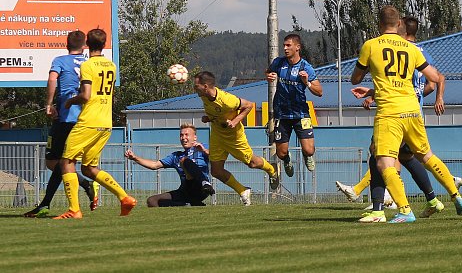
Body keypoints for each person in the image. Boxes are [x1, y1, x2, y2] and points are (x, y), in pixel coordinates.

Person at [338, 16, 462, 222]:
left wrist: (373, 82)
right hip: (413, 110)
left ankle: (389, 209)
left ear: (381, 24)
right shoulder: (415, 50)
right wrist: (431, 95)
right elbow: (435, 78)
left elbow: (356, 78)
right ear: (397, 24)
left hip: (390, 112)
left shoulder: (372, 45)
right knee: (415, 157)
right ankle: (448, 197)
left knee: (382, 159)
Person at [54, 28, 136, 219]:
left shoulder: (87, 65)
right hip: (105, 122)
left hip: (88, 121)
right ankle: (124, 198)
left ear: (86, 45)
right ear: (105, 44)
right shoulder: (111, 65)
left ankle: (74, 210)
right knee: (89, 168)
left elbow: (86, 95)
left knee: (66, 162)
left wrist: (70, 101)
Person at [24, 31, 98, 218]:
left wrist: (49, 104)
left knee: (56, 162)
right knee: (61, 163)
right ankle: (85, 184)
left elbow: (52, 79)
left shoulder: (60, 60)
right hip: (86, 118)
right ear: (84, 47)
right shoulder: (89, 63)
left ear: (67, 45)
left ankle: (46, 204)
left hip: (66, 118)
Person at [194, 71, 279, 205]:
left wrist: (235, 121)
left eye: (196, 86)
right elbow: (218, 113)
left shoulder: (227, 100)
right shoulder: (204, 96)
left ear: (205, 86)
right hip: (217, 135)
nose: (194, 89)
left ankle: (271, 169)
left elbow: (249, 105)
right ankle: (243, 190)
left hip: (234, 137)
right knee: (216, 171)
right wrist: (208, 118)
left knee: (252, 163)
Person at [266, 34, 323, 178]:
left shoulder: (306, 67)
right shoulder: (279, 63)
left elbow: (319, 92)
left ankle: (307, 156)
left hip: (301, 113)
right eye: (284, 45)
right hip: (282, 113)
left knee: (309, 150)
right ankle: (286, 159)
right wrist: (269, 76)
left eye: (288, 45)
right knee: (281, 152)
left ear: (297, 47)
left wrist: (307, 82)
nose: (285, 48)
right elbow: (268, 72)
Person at [125, 124, 215, 207]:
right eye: (181, 135)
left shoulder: (202, 147)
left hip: (202, 188)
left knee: (184, 161)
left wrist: (204, 151)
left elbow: (216, 157)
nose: (183, 138)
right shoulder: (176, 156)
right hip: (185, 190)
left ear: (194, 137)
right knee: (152, 201)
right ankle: (189, 205)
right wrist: (135, 158)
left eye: (186, 135)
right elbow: (154, 165)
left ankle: (205, 183)